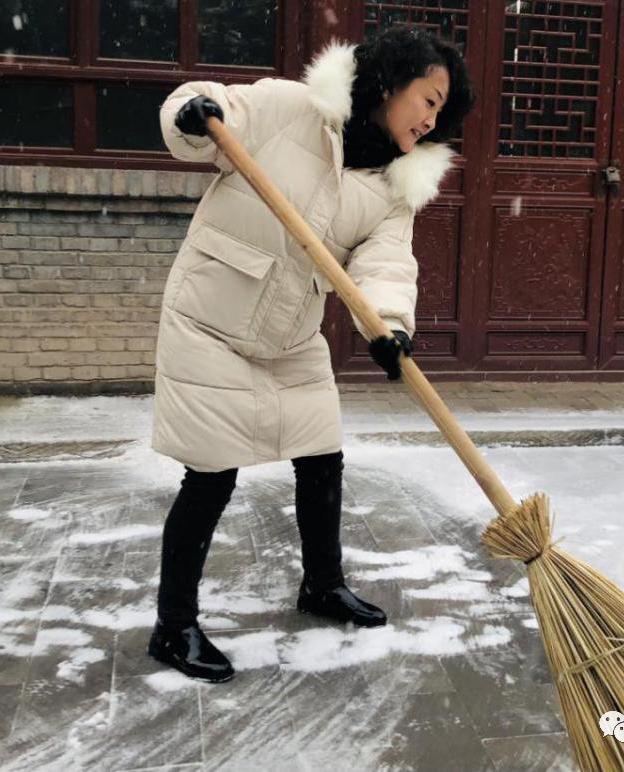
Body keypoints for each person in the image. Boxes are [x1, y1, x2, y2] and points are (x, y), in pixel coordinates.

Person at [147, 26, 474, 682]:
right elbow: (212, 104)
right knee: (211, 474)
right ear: (388, 84)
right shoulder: (291, 108)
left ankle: (321, 587)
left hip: (291, 333)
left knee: (322, 457)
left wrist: (388, 326)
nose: (433, 118)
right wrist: (192, 113)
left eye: (442, 110)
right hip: (210, 317)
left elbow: (385, 263)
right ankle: (174, 624)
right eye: (428, 99)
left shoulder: (391, 187)